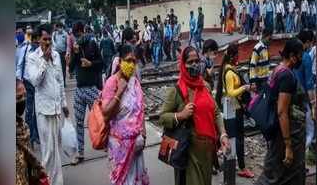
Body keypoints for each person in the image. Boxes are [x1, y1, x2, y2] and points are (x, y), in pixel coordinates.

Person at [159, 46, 230, 185]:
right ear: (183, 65)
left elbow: (215, 112)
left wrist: (223, 134)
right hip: (189, 152)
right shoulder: (177, 90)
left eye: (197, 61)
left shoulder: (205, 86)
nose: (195, 65)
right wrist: (181, 115)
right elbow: (162, 117)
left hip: (208, 151)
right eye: (190, 62)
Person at [254, 39, 306, 185]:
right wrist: (288, 145)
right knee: (274, 175)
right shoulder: (287, 76)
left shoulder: (279, 69)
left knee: (285, 174)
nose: (302, 58)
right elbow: (282, 111)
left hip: (283, 133)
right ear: (292, 56)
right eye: (300, 55)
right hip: (287, 134)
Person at [26, 24, 69, 185]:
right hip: (44, 111)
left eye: (49, 39)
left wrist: (64, 103)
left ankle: (57, 181)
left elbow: (60, 82)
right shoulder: (32, 58)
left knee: (57, 148)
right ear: (37, 40)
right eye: (44, 39)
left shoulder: (57, 56)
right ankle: (47, 181)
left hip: (57, 109)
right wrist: (44, 60)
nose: (48, 43)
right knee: (48, 150)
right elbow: (36, 81)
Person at [101, 45, 150, 185]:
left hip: (137, 145)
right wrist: (119, 92)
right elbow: (105, 114)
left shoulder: (135, 83)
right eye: (128, 60)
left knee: (136, 181)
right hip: (119, 147)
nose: (131, 65)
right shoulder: (112, 82)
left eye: (134, 61)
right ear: (120, 61)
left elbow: (140, 110)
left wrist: (144, 134)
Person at [215, 43, 256, 179]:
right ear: (232, 56)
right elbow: (231, 92)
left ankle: (234, 163)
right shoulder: (229, 72)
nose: (238, 56)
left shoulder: (229, 68)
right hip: (234, 109)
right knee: (237, 139)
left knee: (236, 138)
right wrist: (244, 88)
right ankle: (241, 167)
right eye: (237, 54)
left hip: (234, 109)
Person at [69, 22, 102, 165]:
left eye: (79, 34)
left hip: (92, 88)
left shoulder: (92, 44)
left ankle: (106, 144)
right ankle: (80, 153)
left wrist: (91, 64)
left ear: (83, 31)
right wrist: (74, 54)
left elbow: (101, 63)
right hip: (79, 89)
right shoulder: (75, 47)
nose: (77, 37)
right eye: (75, 35)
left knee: (99, 120)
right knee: (79, 123)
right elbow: (70, 68)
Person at [16, 80, 45, 185]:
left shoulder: (22, 126)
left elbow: (29, 157)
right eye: (18, 97)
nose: (23, 100)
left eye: (24, 96)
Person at [16, 29, 40, 147]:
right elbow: (20, 65)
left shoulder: (41, 50)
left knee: (38, 110)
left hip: (38, 84)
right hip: (27, 83)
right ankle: (30, 136)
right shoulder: (24, 49)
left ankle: (37, 135)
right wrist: (19, 81)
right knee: (29, 111)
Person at [294, 31, 316, 150]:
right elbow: (309, 83)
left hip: (289, 96)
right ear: (307, 42)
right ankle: (299, 155)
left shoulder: (291, 53)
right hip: (302, 99)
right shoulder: (305, 57)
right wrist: (313, 104)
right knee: (310, 131)